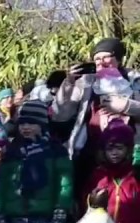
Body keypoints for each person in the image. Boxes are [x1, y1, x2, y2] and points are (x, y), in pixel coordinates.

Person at [52, 38, 140, 185]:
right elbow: (59, 114)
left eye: (106, 57)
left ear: (118, 59)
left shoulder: (135, 81)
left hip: (130, 155)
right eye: (97, 59)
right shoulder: (85, 82)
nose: (101, 62)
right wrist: (69, 83)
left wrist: (126, 106)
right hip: (91, 155)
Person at [0, 99, 74, 223]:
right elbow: (3, 183)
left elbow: (64, 181)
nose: (25, 127)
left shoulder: (55, 151)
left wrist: (61, 206)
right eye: (22, 123)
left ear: (42, 124)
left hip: (45, 214)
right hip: (18, 215)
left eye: (31, 123)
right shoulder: (12, 151)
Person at [84, 120, 140, 223]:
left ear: (128, 150)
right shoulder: (99, 175)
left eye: (119, 148)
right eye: (110, 149)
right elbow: (86, 203)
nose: (114, 153)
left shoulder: (136, 175)